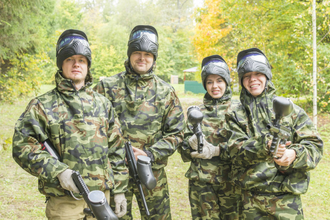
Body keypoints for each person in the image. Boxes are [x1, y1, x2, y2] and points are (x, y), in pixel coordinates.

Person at [12, 29, 129, 219]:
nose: (76, 64)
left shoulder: (103, 104)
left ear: (88, 65)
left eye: (82, 60)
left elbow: (116, 150)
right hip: (64, 203)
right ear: (61, 64)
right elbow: (22, 147)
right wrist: (58, 171)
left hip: (101, 200)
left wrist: (121, 190)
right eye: (69, 59)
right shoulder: (41, 105)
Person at [94, 25, 185, 220]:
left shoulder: (165, 92)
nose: (142, 58)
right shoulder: (106, 87)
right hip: (116, 173)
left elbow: (177, 133)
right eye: (137, 53)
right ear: (129, 55)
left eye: (147, 54)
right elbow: (92, 128)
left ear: (154, 57)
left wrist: (150, 155)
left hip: (152, 172)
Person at [224, 48, 323, 219]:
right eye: (247, 75)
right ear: (241, 80)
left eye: (258, 74)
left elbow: (315, 146)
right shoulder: (235, 115)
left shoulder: (291, 111)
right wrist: (264, 146)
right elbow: (233, 150)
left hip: (286, 200)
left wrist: (293, 155)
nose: (252, 79)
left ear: (267, 75)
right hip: (250, 200)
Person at [178, 55, 241, 220]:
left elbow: (246, 147)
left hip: (232, 184)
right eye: (210, 82)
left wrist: (216, 150)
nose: (215, 86)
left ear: (226, 82)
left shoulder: (239, 111)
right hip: (202, 185)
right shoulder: (196, 112)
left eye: (219, 80)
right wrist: (189, 145)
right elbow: (183, 151)